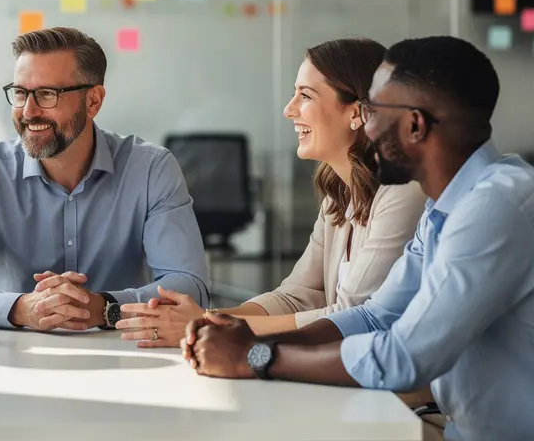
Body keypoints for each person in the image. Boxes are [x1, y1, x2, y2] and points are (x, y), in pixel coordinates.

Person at [183, 36, 534, 441]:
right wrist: (247, 337)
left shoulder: (497, 208)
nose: (366, 125)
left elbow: (403, 356)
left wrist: (256, 356)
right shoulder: (446, 206)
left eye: (374, 110)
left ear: (414, 124)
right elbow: (373, 316)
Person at [117, 38, 426, 347]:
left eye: (305, 95)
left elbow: (354, 317)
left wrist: (205, 324)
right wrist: (208, 319)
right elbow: (295, 296)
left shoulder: (401, 193)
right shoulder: (339, 194)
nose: (289, 110)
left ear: (356, 113)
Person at [0, 27, 209, 331]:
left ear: (93, 101)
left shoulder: (151, 169)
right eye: (21, 93)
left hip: (127, 354)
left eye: (48, 94)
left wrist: (104, 308)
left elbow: (188, 286)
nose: (29, 111)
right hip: (10, 353)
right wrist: (21, 309)